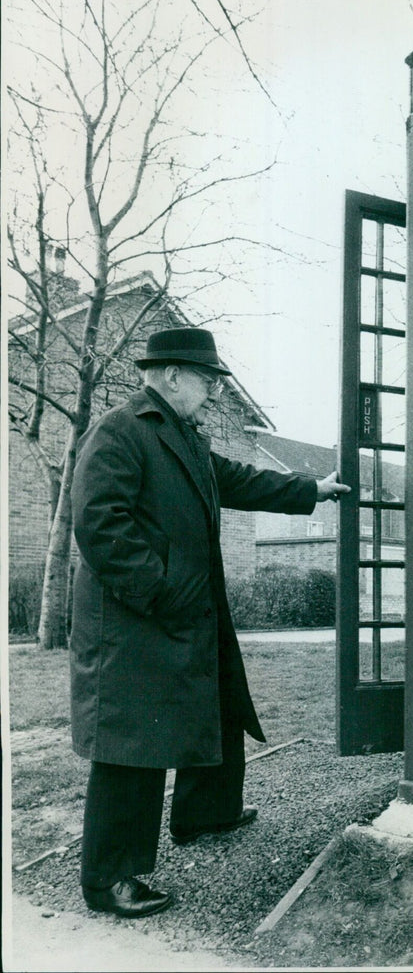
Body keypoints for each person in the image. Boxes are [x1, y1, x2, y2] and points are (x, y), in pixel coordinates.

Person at [69, 326, 350, 918]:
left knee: (218, 704)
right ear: (172, 375)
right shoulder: (120, 430)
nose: (216, 393)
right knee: (131, 746)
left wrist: (311, 489)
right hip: (137, 622)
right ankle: (109, 879)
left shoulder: (182, 436)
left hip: (186, 609)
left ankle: (206, 814)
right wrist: (162, 589)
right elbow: (98, 524)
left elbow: (237, 480)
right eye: (208, 381)